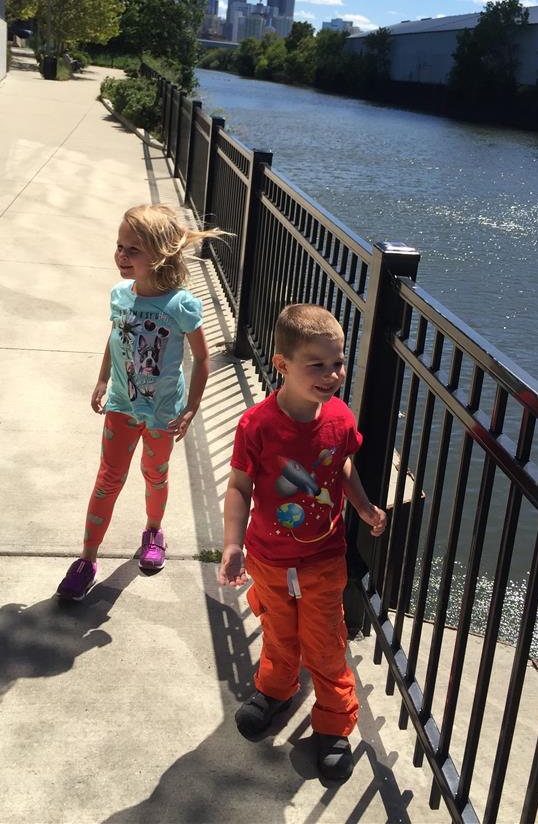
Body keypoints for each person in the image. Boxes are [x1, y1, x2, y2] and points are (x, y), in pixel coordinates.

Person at [218, 304, 387, 783]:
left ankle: (334, 722)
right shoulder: (257, 425)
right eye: (317, 365)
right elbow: (239, 487)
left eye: (338, 363)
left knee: (326, 642)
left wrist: (363, 506)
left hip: (322, 558)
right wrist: (232, 545)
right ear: (282, 364)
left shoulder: (340, 418)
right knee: (278, 630)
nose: (332, 375)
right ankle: (276, 689)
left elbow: (342, 465)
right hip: (269, 558)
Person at [57, 204, 223, 600]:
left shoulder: (180, 305)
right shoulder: (120, 296)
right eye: (120, 246)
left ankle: (153, 532)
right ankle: (87, 558)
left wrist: (192, 406)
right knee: (108, 479)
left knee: (155, 474)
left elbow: (202, 358)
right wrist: (102, 378)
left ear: (161, 254)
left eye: (133, 250)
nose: (121, 255)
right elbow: (115, 337)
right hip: (121, 405)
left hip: (164, 412)